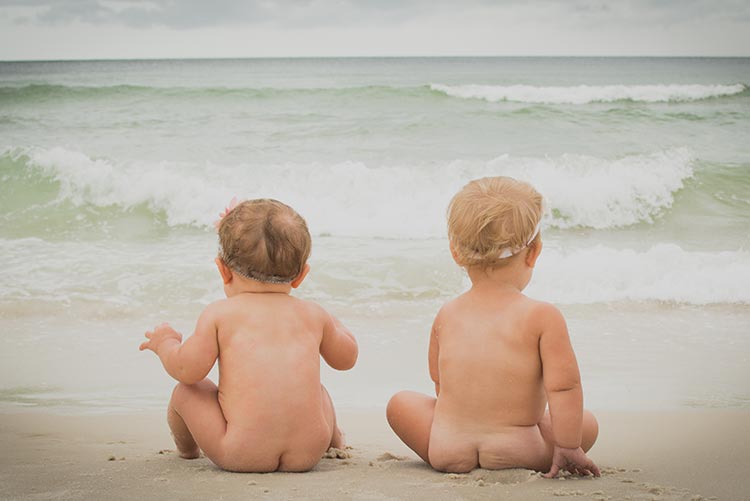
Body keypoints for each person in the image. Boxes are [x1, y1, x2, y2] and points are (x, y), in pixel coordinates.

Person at [386, 176, 600, 478]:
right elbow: (564, 387)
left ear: (455, 252)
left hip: (448, 447)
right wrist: (568, 445)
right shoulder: (543, 316)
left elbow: (440, 384)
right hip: (521, 449)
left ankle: (456, 447)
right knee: (587, 423)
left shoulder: (447, 314)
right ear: (534, 251)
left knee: (400, 404)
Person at [140, 198, 358, 472]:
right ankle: (334, 441)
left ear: (223, 270)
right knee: (318, 392)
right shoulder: (313, 314)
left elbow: (187, 370)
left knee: (187, 392)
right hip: (307, 452)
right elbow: (346, 358)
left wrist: (166, 344)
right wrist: (332, 321)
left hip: (241, 452)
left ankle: (187, 450)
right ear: (301, 276)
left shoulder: (219, 314)